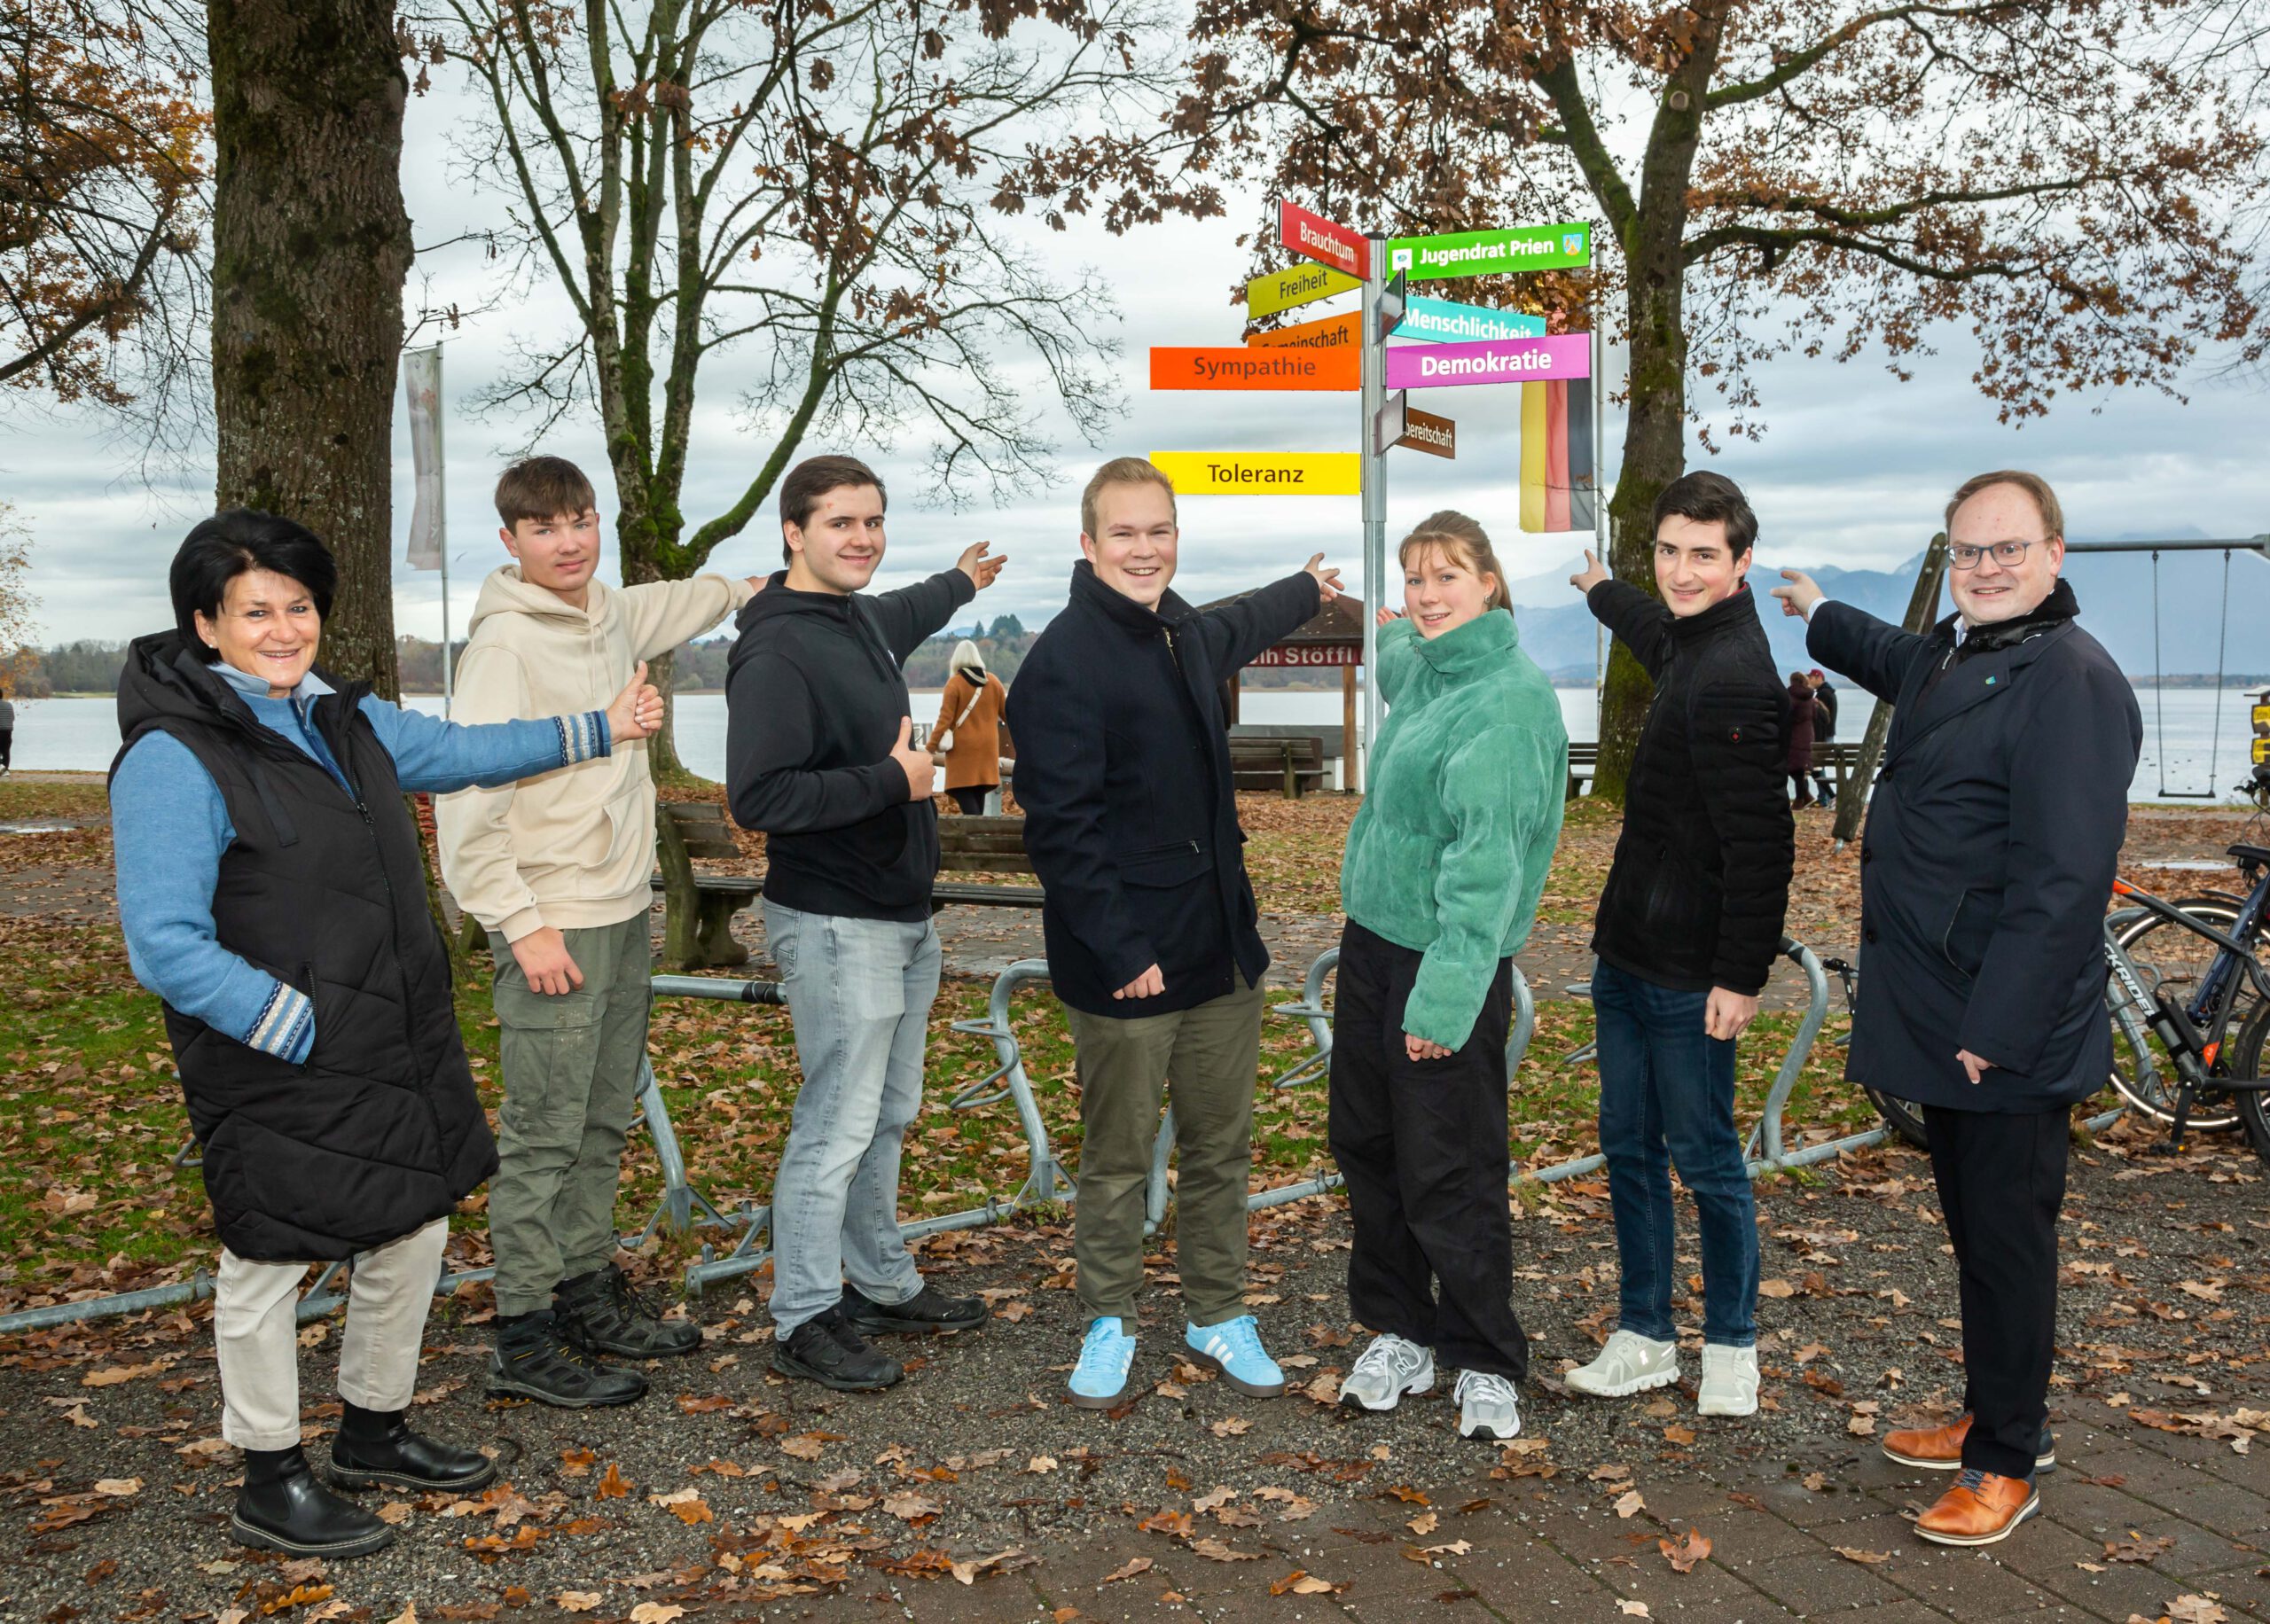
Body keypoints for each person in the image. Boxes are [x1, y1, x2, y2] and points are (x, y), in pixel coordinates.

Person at [110, 510, 665, 1558]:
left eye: (300, 605)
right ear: (204, 624)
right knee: (268, 1255)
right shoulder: (173, 757)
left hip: (391, 1037)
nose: (284, 628)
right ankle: (269, 1473)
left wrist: (599, 726)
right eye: (256, 610)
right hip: (277, 1050)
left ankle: (374, 1428)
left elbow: (464, 752)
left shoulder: (341, 720)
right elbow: (165, 943)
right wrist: (284, 1019)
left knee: (412, 1223)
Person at [1774, 471, 2141, 1548]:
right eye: (1968, 549)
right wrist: (1814, 608)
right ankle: (1995, 1414)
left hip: (2001, 1024)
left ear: (2054, 552)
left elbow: (2065, 882)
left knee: (2008, 1244)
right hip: (1942, 1000)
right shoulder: (1955, 647)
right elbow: (1892, 655)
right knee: (1975, 1236)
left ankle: (2006, 1461)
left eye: (2007, 548)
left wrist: (1998, 1027)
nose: (1986, 566)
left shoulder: (2069, 680)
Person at [1007, 456, 1341, 1409]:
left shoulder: (1182, 630)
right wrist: (1123, 951)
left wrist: (1305, 589)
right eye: (1124, 532)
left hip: (1220, 946)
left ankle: (1213, 1308)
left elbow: (1239, 622)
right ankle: (1109, 1316)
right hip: (1128, 960)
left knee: (1219, 1148)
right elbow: (1061, 834)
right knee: (1117, 1156)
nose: (1144, 548)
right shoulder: (1062, 663)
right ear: (1088, 544)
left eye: (1159, 530)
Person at [437, 456, 763, 1409]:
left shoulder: (608, 610)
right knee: (545, 1132)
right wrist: (522, 925)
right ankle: (524, 1330)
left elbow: (691, 599)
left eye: (581, 519)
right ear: (511, 542)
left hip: (622, 911)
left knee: (602, 1118)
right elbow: (464, 801)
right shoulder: (502, 649)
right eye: (544, 527)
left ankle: (585, 1291)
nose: (569, 539)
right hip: (554, 920)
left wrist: (764, 579)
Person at [725, 454, 1006, 1391]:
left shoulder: (858, 617)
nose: (862, 538)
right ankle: (805, 1313)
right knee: (835, 1126)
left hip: (900, 915)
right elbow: (759, 793)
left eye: (873, 520)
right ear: (792, 533)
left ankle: (881, 1279)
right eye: (841, 522)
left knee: (886, 1115)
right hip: (835, 922)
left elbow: (912, 605)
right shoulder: (776, 649)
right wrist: (897, 781)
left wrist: (964, 580)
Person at [1329, 512, 1567, 1442]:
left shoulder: (1507, 703)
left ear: (1491, 581)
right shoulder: (1425, 664)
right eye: (1416, 578)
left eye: (1449, 576)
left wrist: (1444, 1000)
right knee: (1371, 1147)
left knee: (1450, 1166)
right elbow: (1391, 642)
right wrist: (1377, 613)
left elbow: (1487, 871)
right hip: (1371, 946)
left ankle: (1483, 1353)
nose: (1429, 595)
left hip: (1445, 962)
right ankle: (1401, 1328)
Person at [1564, 471, 1793, 1419]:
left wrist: (1740, 975)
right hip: (1625, 957)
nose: (1681, 570)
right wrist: (1597, 590)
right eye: (1667, 551)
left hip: (1689, 976)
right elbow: (1655, 630)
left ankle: (1731, 1346)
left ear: (1740, 563)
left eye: (1704, 555)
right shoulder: (1693, 641)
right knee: (1627, 1146)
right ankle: (1645, 1333)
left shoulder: (1736, 675)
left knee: (1703, 1157)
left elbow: (1762, 843)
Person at [932, 637, 1007, 814]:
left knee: (961, 789)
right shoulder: (993, 681)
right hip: (988, 749)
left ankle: (976, 834)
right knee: (978, 790)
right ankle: (978, 830)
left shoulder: (955, 683)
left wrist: (930, 748)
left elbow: (945, 720)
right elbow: (1007, 713)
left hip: (963, 750)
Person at [1785, 670, 1819, 808]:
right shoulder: (1810, 698)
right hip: (1807, 736)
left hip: (1793, 737)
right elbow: (1816, 716)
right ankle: (1806, 796)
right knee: (1797, 768)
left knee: (1792, 768)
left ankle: (1800, 799)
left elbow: (1786, 716)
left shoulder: (1790, 697)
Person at [1808, 670, 1840, 807]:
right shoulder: (1829, 693)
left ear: (1818, 677)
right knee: (1819, 767)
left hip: (1823, 735)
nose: (1809, 681)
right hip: (1829, 734)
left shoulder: (1822, 695)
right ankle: (1824, 797)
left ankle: (1824, 799)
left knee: (1818, 767)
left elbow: (1821, 718)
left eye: (1811, 678)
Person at [0, 682, 13, 775]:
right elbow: (12, 718)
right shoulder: (9, 705)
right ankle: (5, 770)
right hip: (8, 731)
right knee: (6, 751)